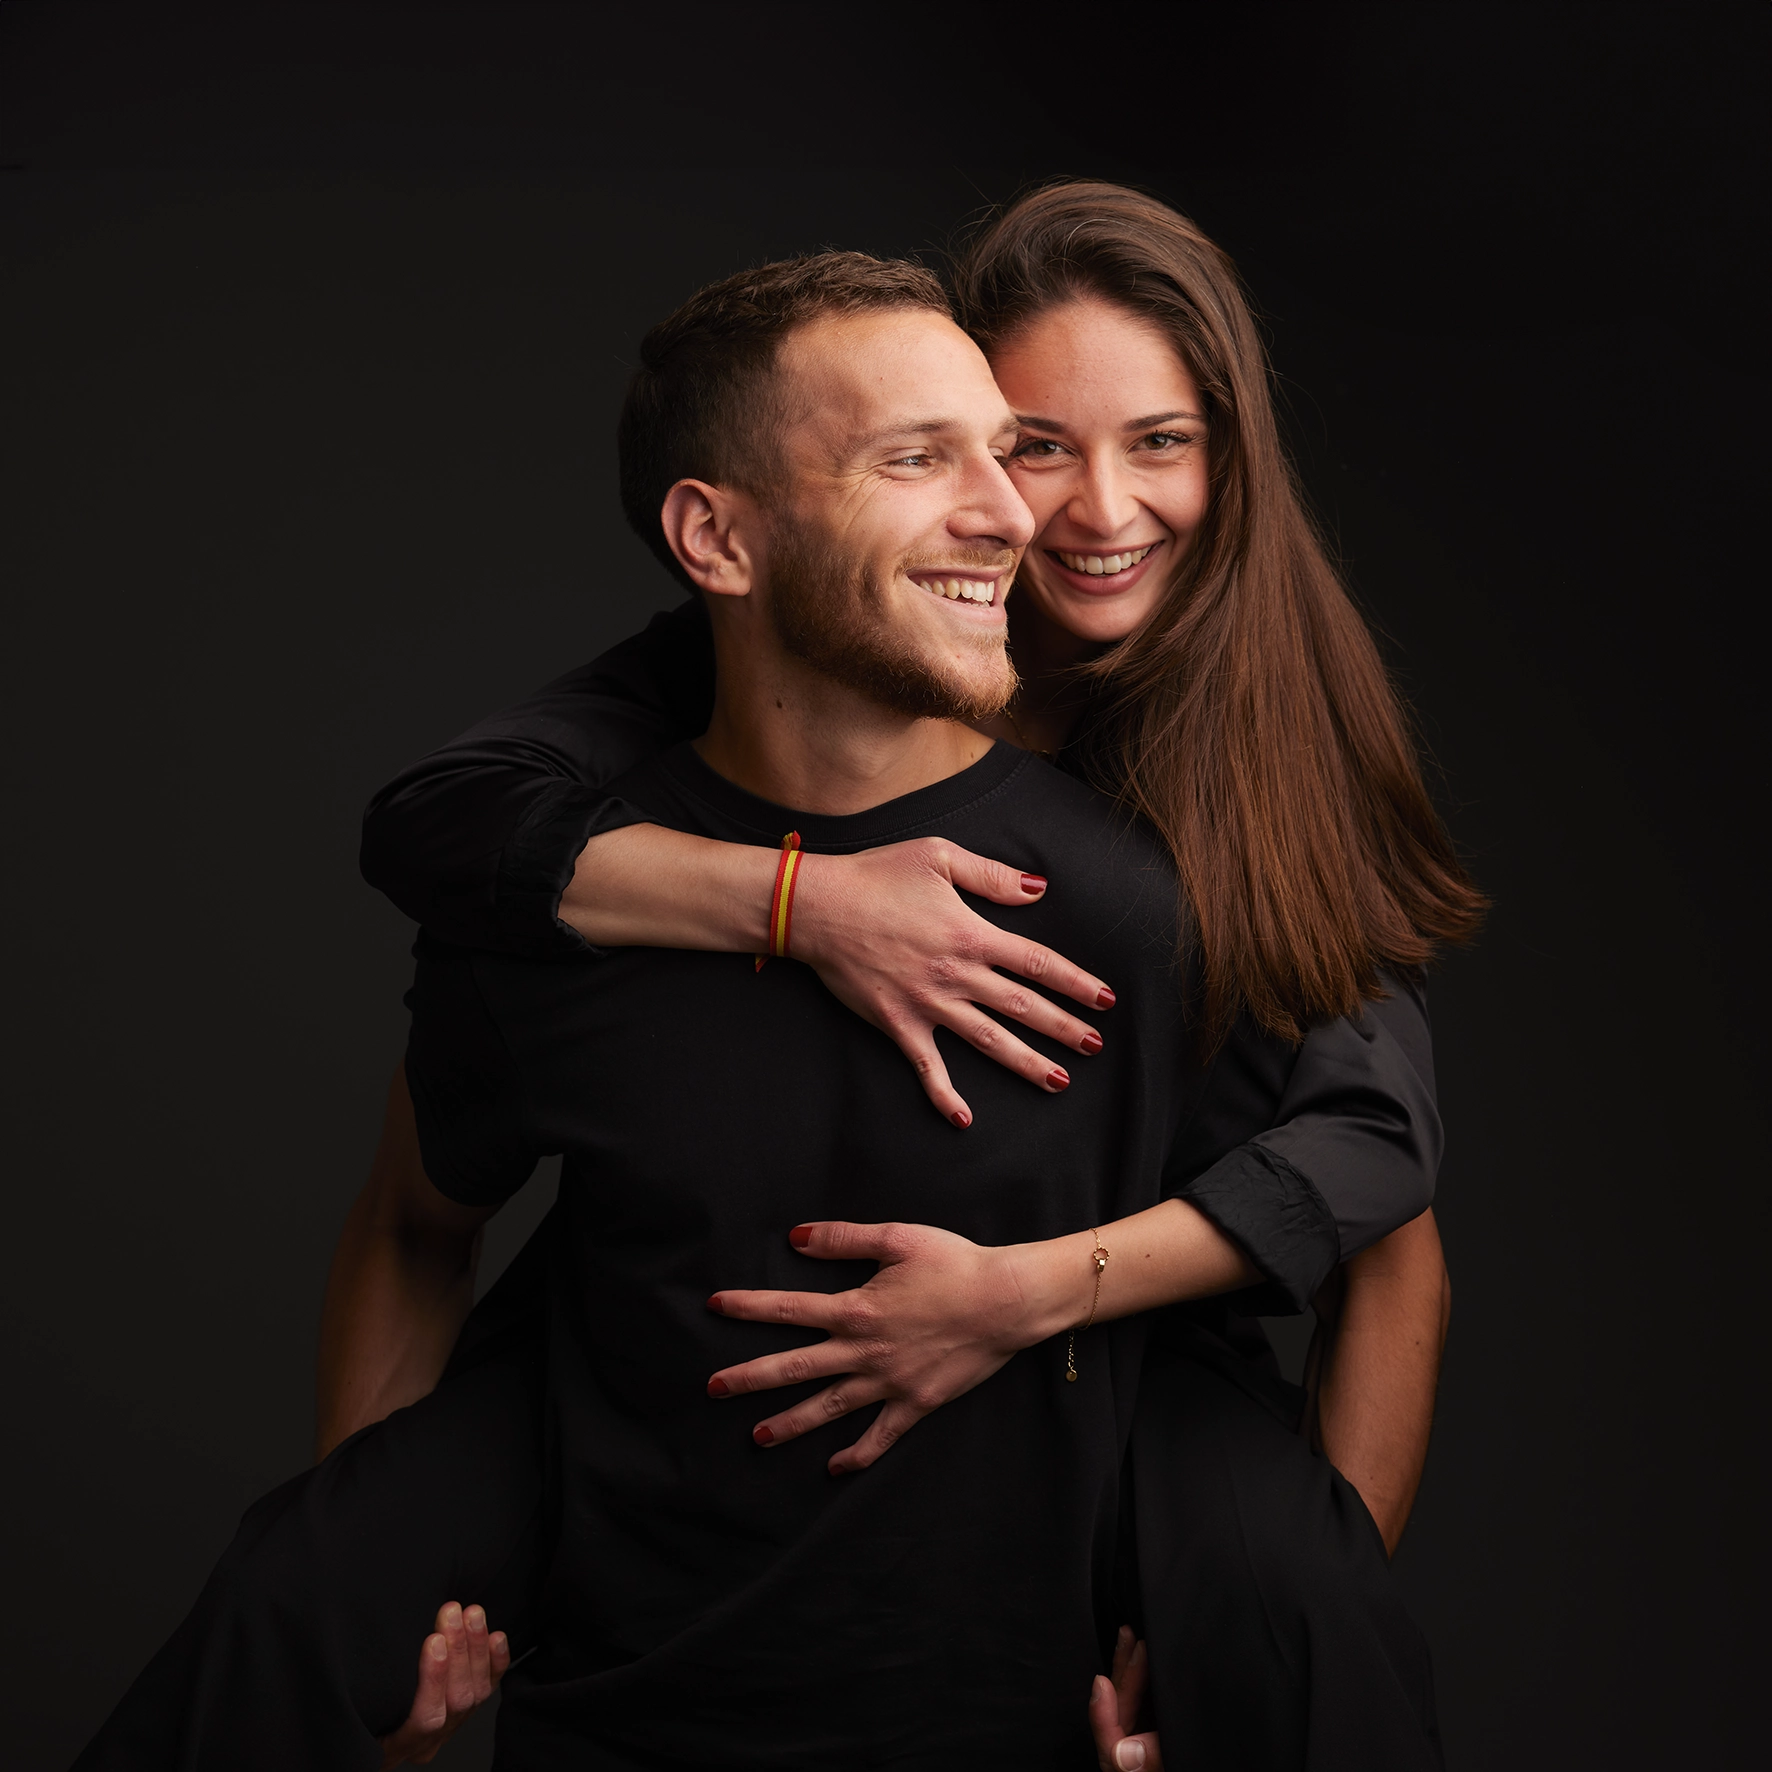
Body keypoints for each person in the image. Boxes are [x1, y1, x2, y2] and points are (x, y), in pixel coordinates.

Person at [77, 223, 1465, 1772]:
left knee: (1289, 1615)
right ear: (721, 543)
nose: (1051, 515)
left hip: (1104, 1369)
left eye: (1156, 444)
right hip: (636, 1446)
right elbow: (437, 843)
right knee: (292, 1604)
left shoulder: (1181, 861)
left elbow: (1375, 1202)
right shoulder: (667, 729)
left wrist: (1036, 1318)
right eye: (993, 449)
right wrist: (803, 897)